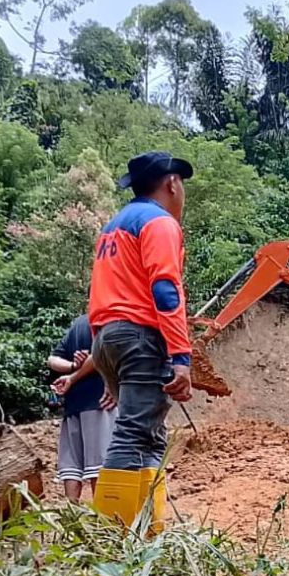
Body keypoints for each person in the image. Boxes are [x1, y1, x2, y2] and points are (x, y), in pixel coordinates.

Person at [88, 151, 195, 532]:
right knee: (134, 432)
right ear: (171, 183)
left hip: (108, 338)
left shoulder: (114, 227)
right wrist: (181, 355)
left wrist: (107, 364)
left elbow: (102, 294)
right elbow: (166, 290)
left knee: (150, 434)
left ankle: (149, 530)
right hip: (140, 336)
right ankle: (111, 536)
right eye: (181, 183)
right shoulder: (160, 223)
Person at [48, 314, 117, 503]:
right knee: (99, 464)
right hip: (100, 400)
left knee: (71, 464)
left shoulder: (78, 323)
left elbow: (52, 359)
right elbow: (99, 355)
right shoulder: (107, 319)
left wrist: (72, 368)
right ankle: (102, 518)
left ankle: (72, 516)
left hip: (73, 403)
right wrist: (75, 373)